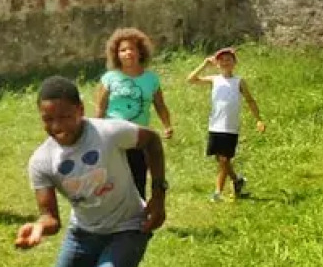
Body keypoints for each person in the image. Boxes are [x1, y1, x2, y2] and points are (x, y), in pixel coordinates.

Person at [15, 76, 165, 267]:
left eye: (66, 116)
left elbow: (151, 140)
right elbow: (51, 217)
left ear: (81, 110)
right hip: (83, 233)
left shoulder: (108, 132)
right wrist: (39, 227)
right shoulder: (43, 161)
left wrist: (158, 196)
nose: (58, 125)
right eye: (48, 119)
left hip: (128, 227)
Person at [95, 27, 175, 198]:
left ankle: (138, 218)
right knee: (113, 181)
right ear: (116, 55)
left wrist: (167, 125)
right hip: (112, 136)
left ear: (141, 52)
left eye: (132, 49)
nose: (127, 53)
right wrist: (94, 134)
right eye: (122, 50)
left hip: (138, 137)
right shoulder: (109, 78)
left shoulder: (151, 79)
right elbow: (100, 109)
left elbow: (160, 105)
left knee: (138, 178)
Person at [186, 48, 265, 202]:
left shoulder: (239, 82)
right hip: (215, 125)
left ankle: (217, 193)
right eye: (221, 60)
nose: (225, 62)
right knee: (220, 159)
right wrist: (204, 64)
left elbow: (250, 100)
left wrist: (259, 119)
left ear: (234, 63)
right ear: (217, 64)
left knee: (223, 160)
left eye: (228, 59)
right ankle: (237, 181)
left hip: (230, 127)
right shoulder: (214, 79)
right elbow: (191, 79)